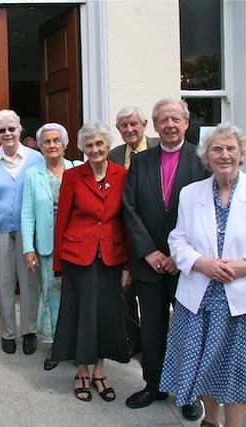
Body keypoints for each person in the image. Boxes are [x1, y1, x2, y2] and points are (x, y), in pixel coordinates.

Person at [160, 123, 246, 427]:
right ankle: (211, 420)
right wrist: (201, 262)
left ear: (242, 153)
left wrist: (244, 266)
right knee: (203, 363)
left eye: (231, 148)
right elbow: (177, 240)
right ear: (206, 156)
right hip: (201, 296)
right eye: (216, 149)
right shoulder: (190, 193)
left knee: (237, 367)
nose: (224, 155)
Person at [122, 99, 209, 420]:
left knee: (190, 330)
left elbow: (206, 214)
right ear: (154, 126)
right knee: (153, 329)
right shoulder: (142, 161)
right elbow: (129, 209)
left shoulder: (202, 160)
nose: (169, 125)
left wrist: (177, 255)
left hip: (188, 266)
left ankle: (189, 392)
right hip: (149, 263)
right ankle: (154, 385)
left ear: (186, 123)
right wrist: (150, 251)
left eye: (176, 119)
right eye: (163, 120)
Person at [52, 121, 131, 403]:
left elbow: (127, 221)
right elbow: (61, 221)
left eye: (99, 144)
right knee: (81, 314)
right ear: (82, 148)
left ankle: (99, 371)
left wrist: (127, 265)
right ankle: (81, 371)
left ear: (107, 146)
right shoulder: (73, 177)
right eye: (89, 145)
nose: (95, 149)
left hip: (112, 255)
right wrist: (58, 265)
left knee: (106, 316)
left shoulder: (123, 175)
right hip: (78, 257)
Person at [0, 109, 45, 355]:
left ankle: (29, 331)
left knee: (29, 281)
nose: (7, 133)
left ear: (20, 130)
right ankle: (8, 333)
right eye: (2, 130)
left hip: (29, 230)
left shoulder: (35, 159)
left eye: (11, 129)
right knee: (4, 282)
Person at [21, 122, 80, 371]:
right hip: (47, 245)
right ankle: (56, 344)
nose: (52, 145)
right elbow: (27, 213)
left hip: (77, 244)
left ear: (65, 145)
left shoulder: (77, 170)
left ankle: (78, 343)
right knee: (52, 294)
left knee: (76, 293)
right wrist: (28, 248)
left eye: (57, 140)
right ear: (41, 147)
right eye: (47, 141)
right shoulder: (32, 174)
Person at [110, 106, 160, 358]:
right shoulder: (113, 155)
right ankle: (133, 337)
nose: (129, 129)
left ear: (145, 124)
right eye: (123, 126)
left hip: (155, 236)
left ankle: (158, 344)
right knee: (123, 290)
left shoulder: (160, 150)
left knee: (154, 296)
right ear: (118, 130)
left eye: (133, 124)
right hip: (122, 234)